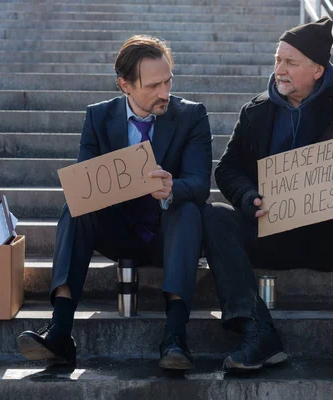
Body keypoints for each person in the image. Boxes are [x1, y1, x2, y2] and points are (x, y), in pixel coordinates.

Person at [202, 17, 333, 393]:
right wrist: (247, 197)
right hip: (271, 230)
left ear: (318, 69)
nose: (279, 69)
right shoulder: (256, 111)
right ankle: (257, 330)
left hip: (330, 237)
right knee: (213, 217)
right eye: (277, 59)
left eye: (290, 63)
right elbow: (227, 169)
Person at [17, 35, 212, 371]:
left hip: (170, 232)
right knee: (75, 208)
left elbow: (199, 183)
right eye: (153, 85)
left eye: (168, 81)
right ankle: (60, 331)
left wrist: (172, 187)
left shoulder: (191, 115)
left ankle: (176, 336)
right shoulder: (98, 117)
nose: (164, 92)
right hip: (119, 230)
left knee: (189, 208)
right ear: (125, 85)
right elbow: (85, 182)